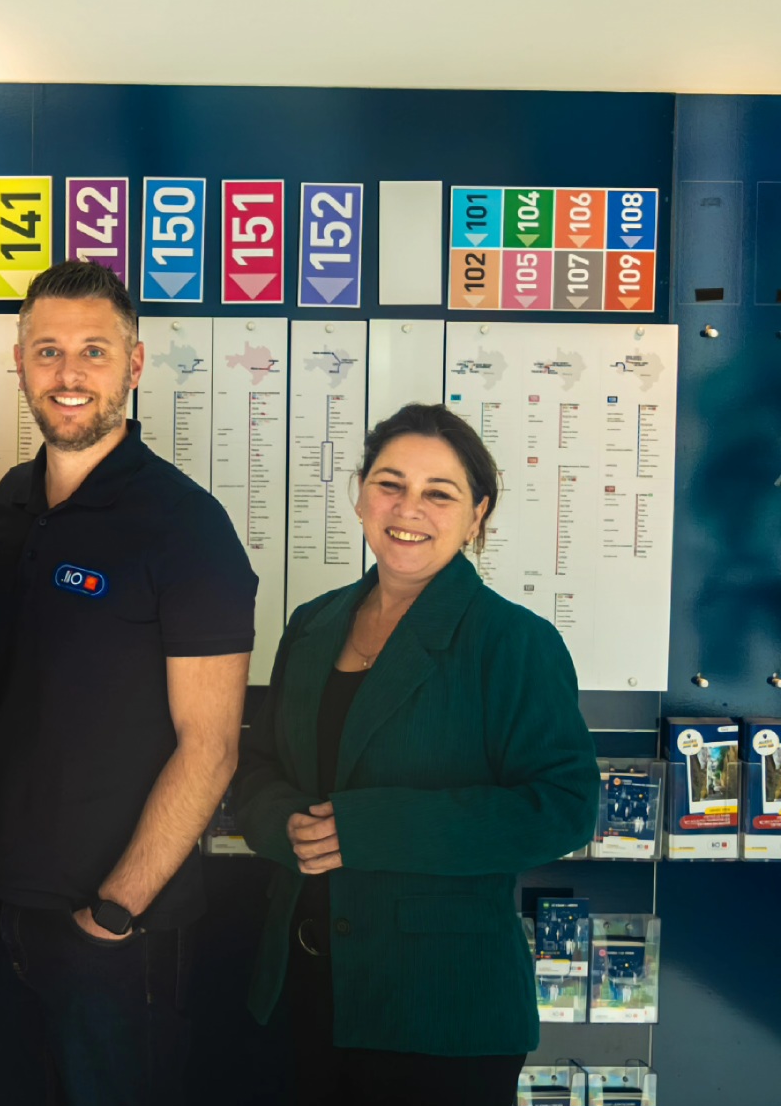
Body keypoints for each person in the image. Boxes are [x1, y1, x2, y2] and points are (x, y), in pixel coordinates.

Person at [0, 262, 257, 1106]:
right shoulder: (9, 503)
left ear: (135, 364)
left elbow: (211, 747)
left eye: (94, 351)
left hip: (113, 932)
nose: (68, 373)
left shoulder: (187, 527)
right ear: (19, 363)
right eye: (48, 351)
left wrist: (114, 913)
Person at [233, 403, 599, 1106]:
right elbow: (258, 768)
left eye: (440, 493)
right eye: (390, 484)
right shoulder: (311, 625)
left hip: (443, 1011)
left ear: (477, 515)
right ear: (361, 495)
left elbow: (563, 807)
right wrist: (284, 824)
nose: (409, 509)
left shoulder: (513, 641)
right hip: (300, 992)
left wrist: (369, 829)